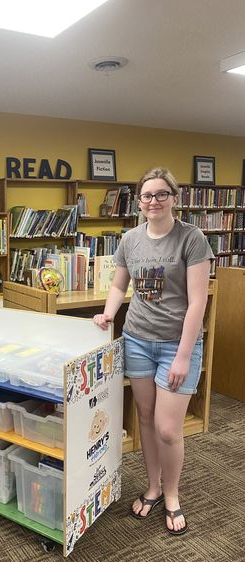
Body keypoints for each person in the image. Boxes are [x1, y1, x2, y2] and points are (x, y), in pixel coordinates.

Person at [93, 167, 213, 535]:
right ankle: (153, 487)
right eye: (147, 195)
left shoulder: (191, 238)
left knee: (167, 428)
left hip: (178, 345)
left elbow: (197, 302)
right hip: (137, 339)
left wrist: (182, 354)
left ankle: (173, 494)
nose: (154, 201)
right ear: (139, 201)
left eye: (162, 194)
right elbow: (119, 285)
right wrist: (108, 314)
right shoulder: (130, 239)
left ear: (174, 198)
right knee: (144, 417)